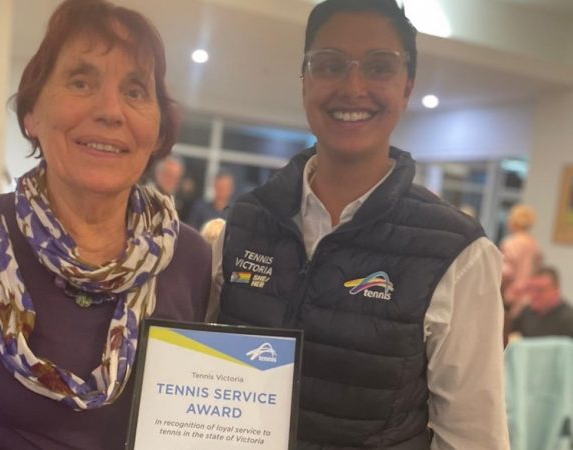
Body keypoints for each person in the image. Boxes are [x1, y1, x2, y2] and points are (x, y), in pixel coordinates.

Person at [0, 1, 211, 448]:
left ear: (159, 130)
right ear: (32, 113)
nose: (111, 110)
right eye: (81, 82)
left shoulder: (188, 259)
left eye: (135, 91)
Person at [209, 0, 509, 448]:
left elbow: (472, 438)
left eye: (379, 67)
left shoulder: (457, 253)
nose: (353, 88)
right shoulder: (246, 222)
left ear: (407, 87)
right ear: (304, 79)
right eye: (330, 65)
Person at [500, 204, 542, 315]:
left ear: (514, 221)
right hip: (529, 296)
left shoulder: (510, 243)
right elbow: (538, 270)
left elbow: (506, 272)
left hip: (512, 296)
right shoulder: (535, 244)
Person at [511, 266, 573, 338]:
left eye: (540, 290)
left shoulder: (569, 319)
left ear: (556, 289)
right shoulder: (526, 312)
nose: (534, 295)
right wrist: (510, 302)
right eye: (531, 289)